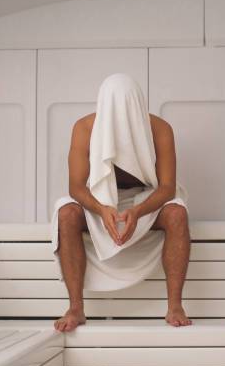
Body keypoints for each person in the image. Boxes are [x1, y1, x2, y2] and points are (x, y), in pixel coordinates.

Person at [51, 74, 191, 331]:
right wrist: (101, 208)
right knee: (66, 212)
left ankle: (175, 305)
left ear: (139, 105)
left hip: (145, 199)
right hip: (99, 198)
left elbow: (168, 187)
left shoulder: (160, 129)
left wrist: (137, 212)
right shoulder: (84, 128)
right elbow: (76, 186)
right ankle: (75, 307)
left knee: (177, 213)